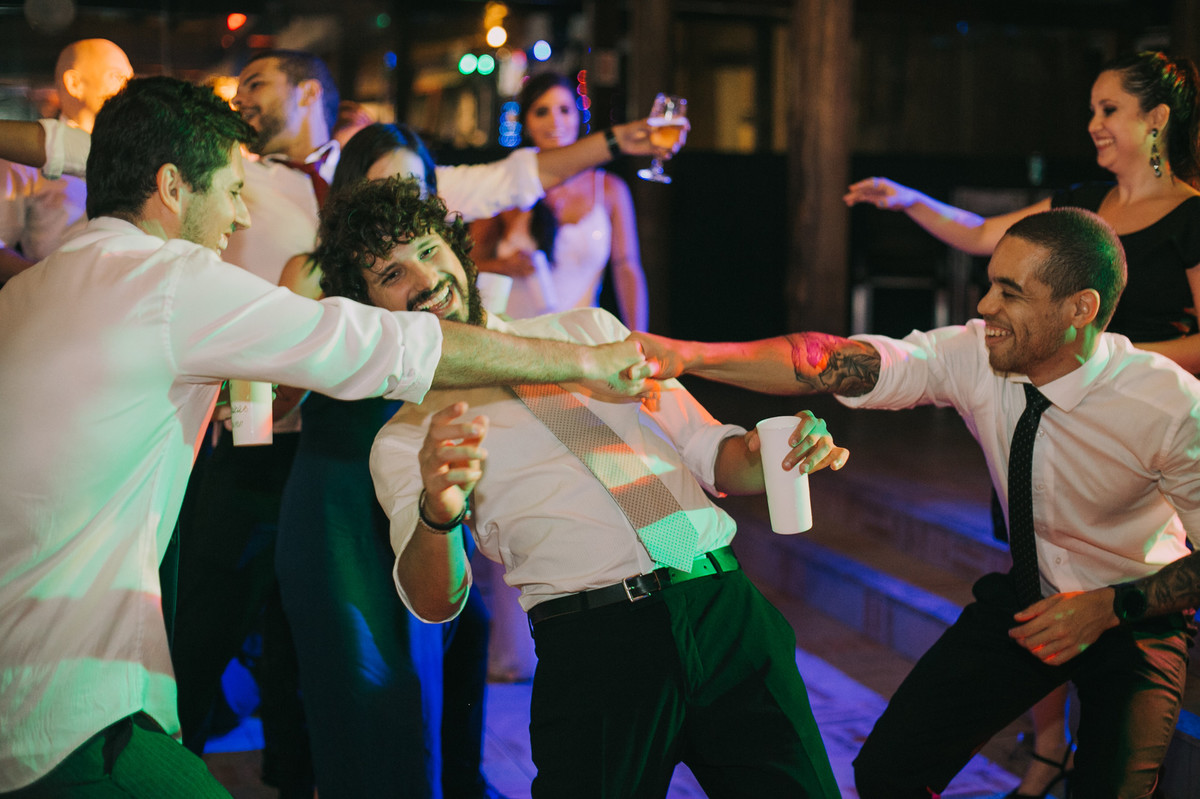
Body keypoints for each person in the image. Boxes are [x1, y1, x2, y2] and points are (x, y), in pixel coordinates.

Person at [0, 75, 649, 798]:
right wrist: (584, 362)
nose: (243, 214)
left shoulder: (30, 288)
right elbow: (377, 353)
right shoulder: (174, 279)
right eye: (233, 190)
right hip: (66, 708)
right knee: (354, 690)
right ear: (173, 187)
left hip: (47, 681)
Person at [632, 207, 1200, 798]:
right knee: (888, 772)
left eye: (1010, 292)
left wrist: (1111, 606)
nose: (984, 306)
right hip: (1030, 595)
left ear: (1080, 308)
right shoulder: (974, 354)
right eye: (989, 283)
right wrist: (687, 356)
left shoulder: (1168, 404)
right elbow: (828, 361)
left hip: (1137, 613)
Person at [354, 174, 850, 798]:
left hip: (723, 607)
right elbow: (433, 602)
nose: (425, 280)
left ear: (458, 249)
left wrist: (780, 453)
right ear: (365, 309)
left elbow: (719, 458)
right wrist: (439, 509)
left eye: (429, 250)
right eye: (391, 274)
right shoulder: (404, 439)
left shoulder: (590, 330)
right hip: (595, 647)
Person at [842, 49, 1200, 796]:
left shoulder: (1193, 219)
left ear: (1157, 119)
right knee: (1034, 573)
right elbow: (982, 234)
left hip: (1138, 431)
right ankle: (1046, 746)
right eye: (1092, 109)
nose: (1093, 123)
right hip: (1045, 409)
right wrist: (910, 199)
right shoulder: (1079, 207)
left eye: (1109, 109)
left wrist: (1110, 368)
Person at [273, 123, 507, 799]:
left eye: (418, 185)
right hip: (342, 499)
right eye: (388, 183)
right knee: (370, 683)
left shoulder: (440, 279)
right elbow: (278, 395)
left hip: (419, 482)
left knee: (451, 646)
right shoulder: (311, 272)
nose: (405, 198)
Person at [470, 72, 650, 330]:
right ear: (526, 122)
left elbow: (626, 267)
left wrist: (639, 334)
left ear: (579, 117)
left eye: (564, 110)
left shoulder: (608, 188)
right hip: (514, 335)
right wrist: (504, 266)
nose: (554, 121)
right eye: (541, 112)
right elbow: (470, 263)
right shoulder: (507, 185)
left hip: (580, 338)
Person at [0, 38, 132, 281]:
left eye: (131, 79)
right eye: (118, 77)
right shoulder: (25, 158)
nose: (129, 89)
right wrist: (50, 280)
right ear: (74, 84)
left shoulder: (135, 152)